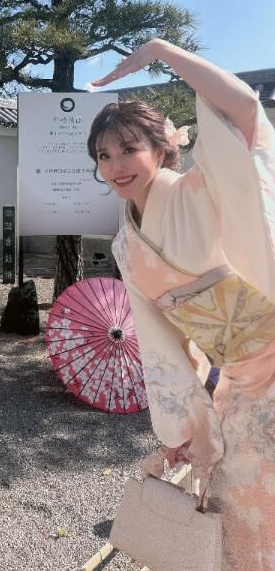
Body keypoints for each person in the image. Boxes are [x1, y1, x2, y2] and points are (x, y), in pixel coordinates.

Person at [87, 38, 275, 570]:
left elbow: (243, 114)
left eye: (128, 149)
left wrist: (162, 52)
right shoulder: (126, 242)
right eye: (104, 154)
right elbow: (161, 344)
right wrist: (182, 428)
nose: (116, 165)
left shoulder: (198, 191)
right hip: (238, 377)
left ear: (161, 147)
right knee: (237, 501)